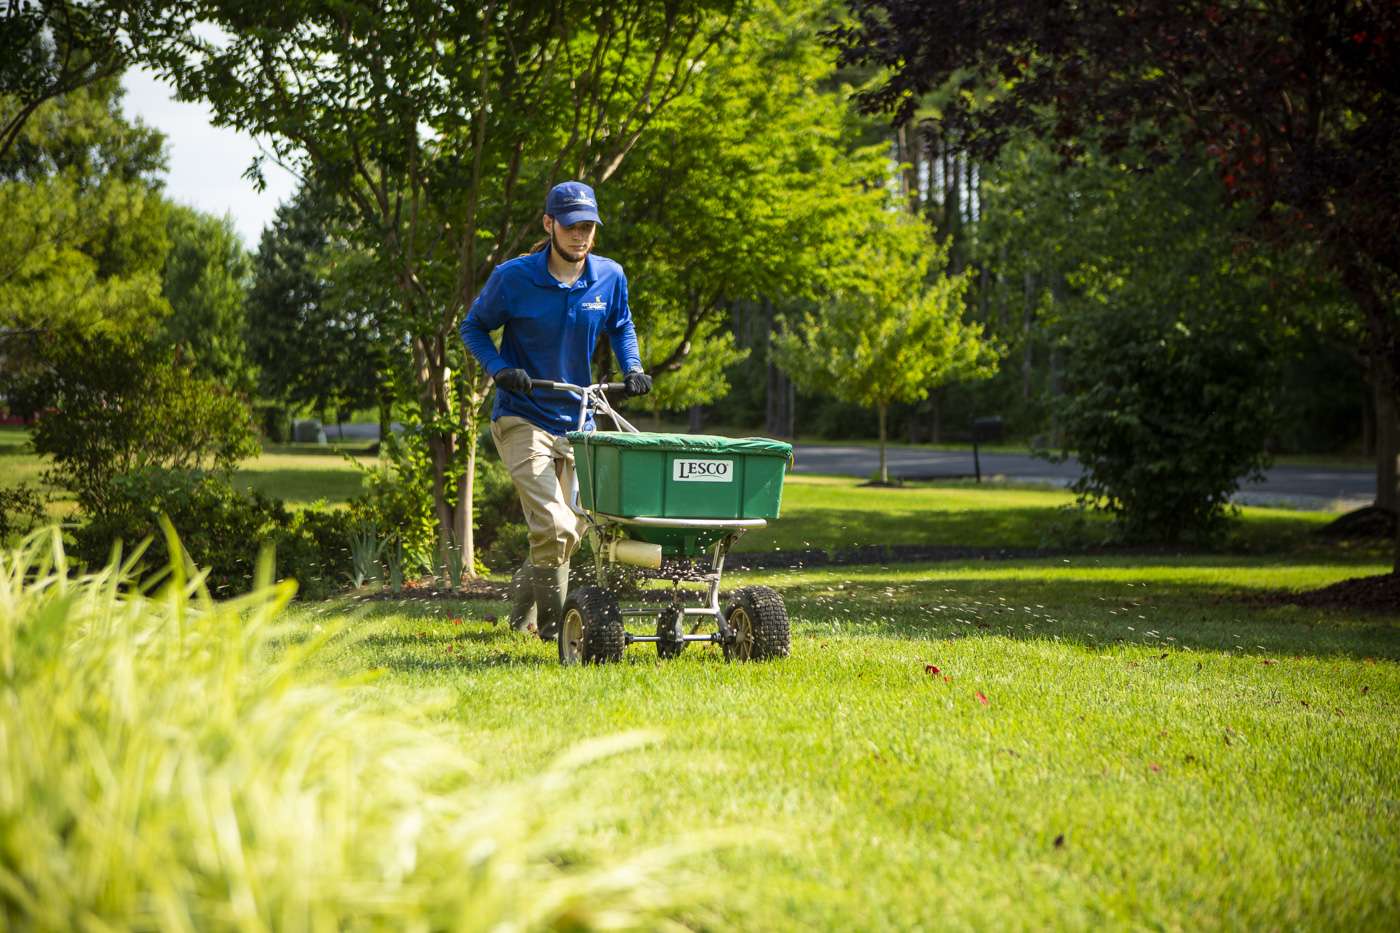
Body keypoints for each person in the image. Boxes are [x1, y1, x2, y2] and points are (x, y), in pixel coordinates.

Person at [460, 181, 652, 641]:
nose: (580, 236)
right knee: (558, 524)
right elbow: (473, 327)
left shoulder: (609, 276)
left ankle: (518, 617)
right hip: (521, 415)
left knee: (564, 532)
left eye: (588, 227)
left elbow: (621, 324)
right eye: (571, 226)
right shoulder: (514, 277)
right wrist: (500, 369)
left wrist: (634, 367)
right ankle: (555, 631)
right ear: (549, 225)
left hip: (578, 418)